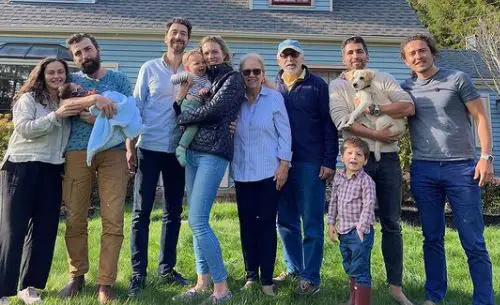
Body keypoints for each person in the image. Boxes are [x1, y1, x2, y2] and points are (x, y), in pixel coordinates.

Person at [0, 57, 112, 305]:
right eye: (51, 72)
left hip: (52, 169)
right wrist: (55, 116)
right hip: (21, 166)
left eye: (61, 72)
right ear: (41, 75)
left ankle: (29, 287)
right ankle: (3, 290)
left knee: (44, 229)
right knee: (14, 228)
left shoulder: (66, 101)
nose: (56, 76)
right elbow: (24, 128)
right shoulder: (28, 99)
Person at [400, 34, 494, 305]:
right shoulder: (406, 88)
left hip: (461, 169)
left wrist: (486, 156)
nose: (419, 56)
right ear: (406, 61)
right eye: (412, 54)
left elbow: (480, 117)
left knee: (472, 240)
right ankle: (434, 296)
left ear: (433, 53)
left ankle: (483, 300)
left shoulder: (457, 79)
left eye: (422, 51)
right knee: (432, 238)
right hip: (423, 170)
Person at [329, 36, 415, 305]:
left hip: (387, 159)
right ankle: (355, 290)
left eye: (360, 52)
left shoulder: (385, 78)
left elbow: (408, 106)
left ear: (367, 55)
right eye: (350, 52)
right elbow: (342, 120)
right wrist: (376, 132)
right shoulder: (338, 85)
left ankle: (395, 287)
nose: (355, 56)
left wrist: (376, 108)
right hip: (354, 162)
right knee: (352, 227)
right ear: (344, 58)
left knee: (391, 223)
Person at [58, 32, 132, 304]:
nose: (84, 56)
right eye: (78, 53)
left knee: (113, 218)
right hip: (77, 152)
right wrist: (92, 100)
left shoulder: (119, 79)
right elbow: (63, 105)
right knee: (76, 216)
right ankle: (77, 276)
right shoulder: (71, 80)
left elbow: (128, 115)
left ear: (97, 49)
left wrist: (96, 121)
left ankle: (105, 283)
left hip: (112, 152)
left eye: (87, 50)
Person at [172, 36, 245, 304]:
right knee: (195, 218)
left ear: (224, 54)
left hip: (214, 152)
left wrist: (183, 117)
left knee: (198, 220)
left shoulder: (232, 79)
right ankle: (202, 281)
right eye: (205, 53)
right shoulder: (204, 78)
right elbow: (187, 101)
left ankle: (222, 289)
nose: (210, 56)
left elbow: (215, 111)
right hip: (193, 152)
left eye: (215, 51)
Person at [127, 17, 192, 297]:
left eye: (183, 34)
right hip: (149, 147)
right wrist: (130, 147)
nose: (178, 37)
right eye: (174, 33)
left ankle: (166, 268)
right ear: (166, 37)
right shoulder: (149, 68)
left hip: (177, 151)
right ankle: (137, 273)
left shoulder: (192, 71)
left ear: (188, 39)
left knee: (174, 212)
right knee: (141, 212)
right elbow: (136, 107)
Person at [273, 39, 338, 296]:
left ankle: (310, 277)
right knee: (285, 220)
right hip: (279, 163)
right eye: (285, 55)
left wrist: (328, 160)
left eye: (294, 55)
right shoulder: (273, 86)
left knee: (311, 222)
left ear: (302, 57)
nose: (290, 59)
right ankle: (293, 267)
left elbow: (328, 124)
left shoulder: (317, 85)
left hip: (310, 162)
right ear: (279, 60)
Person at [233, 53, 292, 296]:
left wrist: (284, 164)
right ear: (241, 75)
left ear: (263, 73)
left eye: (256, 71)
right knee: (247, 227)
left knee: (267, 226)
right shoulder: (235, 101)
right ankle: (250, 276)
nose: (252, 76)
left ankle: (267, 279)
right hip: (242, 173)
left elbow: (285, 133)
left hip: (269, 173)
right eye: (247, 72)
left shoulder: (275, 98)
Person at [328, 137, 376, 305]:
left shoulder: (366, 181)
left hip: (359, 232)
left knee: (361, 269)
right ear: (342, 157)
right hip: (343, 231)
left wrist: (361, 229)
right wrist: (331, 224)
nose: (353, 157)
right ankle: (353, 299)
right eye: (349, 153)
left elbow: (368, 205)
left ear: (365, 160)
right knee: (349, 266)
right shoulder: (338, 178)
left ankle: (361, 301)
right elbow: (333, 201)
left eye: (359, 154)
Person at [171, 49, 212, 167]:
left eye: (203, 62)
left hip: (198, 107)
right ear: (188, 67)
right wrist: (185, 75)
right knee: (192, 126)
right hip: (187, 105)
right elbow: (173, 79)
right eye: (197, 63)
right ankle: (181, 148)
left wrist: (206, 89)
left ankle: (183, 147)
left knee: (192, 127)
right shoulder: (188, 75)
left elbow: (208, 85)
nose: (201, 65)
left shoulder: (206, 78)